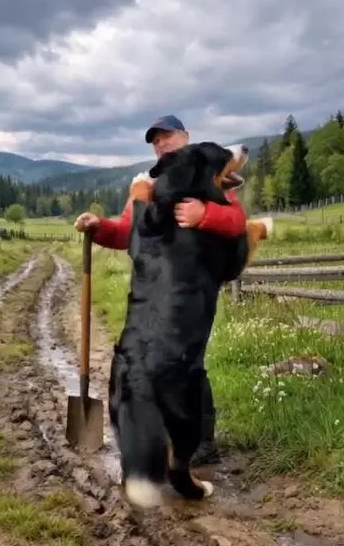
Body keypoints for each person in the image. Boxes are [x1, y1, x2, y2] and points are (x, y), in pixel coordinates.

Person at [74, 114, 246, 466]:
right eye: (156, 140)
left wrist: (205, 214)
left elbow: (237, 221)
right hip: (159, 294)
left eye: (168, 136)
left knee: (191, 364)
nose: (162, 143)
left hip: (194, 292)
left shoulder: (209, 171)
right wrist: (99, 227)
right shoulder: (150, 187)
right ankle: (162, 437)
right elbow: (127, 231)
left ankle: (203, 443)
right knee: (156, 366)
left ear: (185, 136)